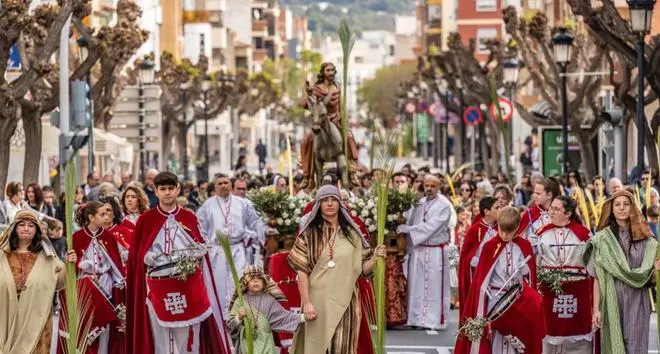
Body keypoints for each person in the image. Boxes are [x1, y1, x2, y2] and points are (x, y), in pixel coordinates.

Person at [125, 171, 231, 353]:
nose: (167, 193)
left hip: (186, 285)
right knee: (158, 332)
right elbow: (137, 257)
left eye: (171, 188)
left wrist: (196, 253)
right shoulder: (146, 220)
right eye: (163, 189)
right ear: (156, 191)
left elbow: (201, 249)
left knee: (186, 333)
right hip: (158, 287)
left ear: (178, 190)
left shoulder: (189, 217)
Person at [288, 184, 385, 353]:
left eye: (334, 199)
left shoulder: (353, 235)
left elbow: (363, 270)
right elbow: (301, 271)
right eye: (325, 200)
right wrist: (307, 302)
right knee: (316, 347)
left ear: (340, 204)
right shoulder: (309, 234)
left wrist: (376, 258)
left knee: (344, 346)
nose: (330, 203)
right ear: (319, 204)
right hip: (317, 301)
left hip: (346, 301)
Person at [455, 206, 544, 354]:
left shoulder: (524, 245)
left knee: (516, 338)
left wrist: (524, 270)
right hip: (494, 299)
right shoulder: (490, 246)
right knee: (496, 338)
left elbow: (530, 276)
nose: (504, 234)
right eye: (501, 229)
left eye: (509, 231)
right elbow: (481, 280)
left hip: (517, 300)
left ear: (517, 228)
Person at [583, 190, 660, 354]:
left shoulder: (647, 239)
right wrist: (595, 309)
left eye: (626, 204)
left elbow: (650, 275)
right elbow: (597, 277)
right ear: (611, 209)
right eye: (617, 205)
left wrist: (655, 269)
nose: (622, 208)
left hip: (637, 300)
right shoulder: (602, 239)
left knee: (636, 347)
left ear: (633, 207)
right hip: (612, 299)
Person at [0, 211, 76, 354]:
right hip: (7, 315)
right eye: (21, 225)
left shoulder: (47, 256)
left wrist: (68, 265)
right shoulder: (3, 254)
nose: (26, 228)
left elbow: (59, 283)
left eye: (31, 225)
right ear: (15, 228)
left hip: (36, 317)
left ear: (37, 230)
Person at [197, 174, 269, 317]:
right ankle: (220, 318)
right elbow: (200, 228)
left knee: (241, 283)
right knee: (219, 286)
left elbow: (255, 222)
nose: (224, 186)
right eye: (220, 183)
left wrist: (267, 230)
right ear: (215, 187)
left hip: (238, 251)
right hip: (217, 253)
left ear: (230, 185)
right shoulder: (208, 205)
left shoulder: (243, 203)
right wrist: (206, 246)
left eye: (226, 182)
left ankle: (242, 316)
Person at [536, 196, 594, 353]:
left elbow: (593, 269)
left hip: (578, 294)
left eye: (556, 209)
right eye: (551, 208)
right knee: (549, 340)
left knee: (579, 342)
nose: (550, 212)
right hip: (550, 295)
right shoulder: (541, 235)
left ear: (568, 213)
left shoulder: (584, 235)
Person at [68, 201, 126, 353]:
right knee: (87, 325)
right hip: (86, 285)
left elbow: (115, 265)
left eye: (108, 213)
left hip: (105, 283)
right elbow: (71, 268)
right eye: (102, 214)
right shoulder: (77, 237)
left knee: (105, 325)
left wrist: (119, 284)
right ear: (91, 217)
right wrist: (77, 264)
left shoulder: (108, 237)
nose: (107, 217)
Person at [397, 175, 452, 330]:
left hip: (435, 253)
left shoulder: (444, 206)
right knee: (417, 285)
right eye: (426, 185)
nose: (429, 188)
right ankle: (415, 318)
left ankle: (432, 321)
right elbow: (410, 220)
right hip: (418, 251)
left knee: (433, 287)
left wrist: (409, 230)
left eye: (432, 186)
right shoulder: (419, 203)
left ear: (438, 187)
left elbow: (432, 227)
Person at [300, 62, 359, 188]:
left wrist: (343, 119)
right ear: (323, 72)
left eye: (332, 70)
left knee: (349, 137)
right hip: (321, 122)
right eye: (328, 70)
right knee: (305, 141)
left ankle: (352, 171)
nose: (331, 72)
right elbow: (309, 105)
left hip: (336, 120)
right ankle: (307, 176)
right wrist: (309, 94)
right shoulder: (316, 88)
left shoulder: (338, 87)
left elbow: (341, 106)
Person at [227, 265, 305, 353]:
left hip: (266, 344)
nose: (256, 281)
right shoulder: (240, 301)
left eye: (259, 278)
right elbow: (230, 326)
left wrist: (303, 318)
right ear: (245, 283)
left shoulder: (269, 300)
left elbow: (284, 317)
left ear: (264, 282)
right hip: (247, 345)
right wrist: (238, 317)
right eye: (252, 278)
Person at [457, 196, 499, 315]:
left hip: (496, 274)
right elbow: (466, 256)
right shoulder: (475, 230)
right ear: (487, 212)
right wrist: (479, 262)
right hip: (478, 274)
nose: (500, 210)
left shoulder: (500, 228)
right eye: (496, 208)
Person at [517, 177, 561, 249]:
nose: (534, 196)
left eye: (538, 193)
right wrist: (529, 241)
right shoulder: (530, 213)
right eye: (534, 192)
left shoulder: (560, 213)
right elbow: (519, 239)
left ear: (549, 195)